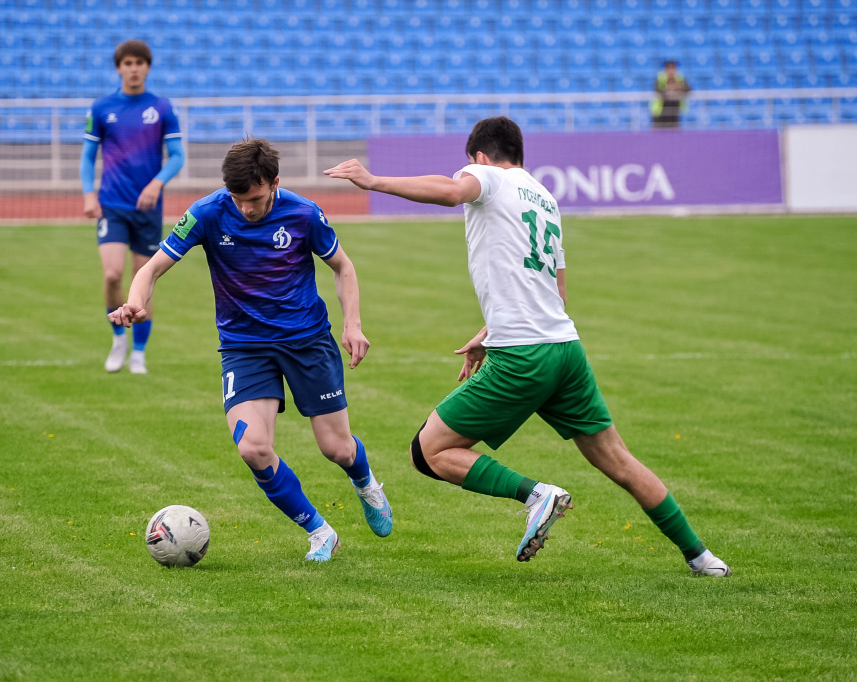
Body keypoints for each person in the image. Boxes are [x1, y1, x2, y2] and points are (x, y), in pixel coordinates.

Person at [324, 117, 731, 576]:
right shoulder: (546, 199)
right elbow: (554, 293)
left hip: (523, 356)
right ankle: (702, 557)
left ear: (479, 157)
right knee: (619, 459)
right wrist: (488, 330)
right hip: (565, 349)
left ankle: (536, 494)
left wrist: (373, 180)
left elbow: (451, 190)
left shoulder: (488, 178)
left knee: (429, 452)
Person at [109, 138, 393, 562]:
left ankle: (366, 482)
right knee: (252, 448)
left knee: (337, 449)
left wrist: (352, 325)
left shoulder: (302, 212)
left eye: (256, 199)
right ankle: (320, 532)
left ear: (275, 183)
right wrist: (136, 301)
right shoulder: (207, 213)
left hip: (307, 341)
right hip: (244, 347)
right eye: (238, 199)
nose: (246, 208)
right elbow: (152, 267)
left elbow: (343, 267)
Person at [81, 40, 185, 374]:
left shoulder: (162, 108)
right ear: (118, 68)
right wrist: (88, 193)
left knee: (145, 279)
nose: (134, 68)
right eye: (127, 63)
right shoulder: (101, 108)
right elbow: (87, 156)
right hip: (112, 204)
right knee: (112, 275)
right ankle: (118, 340)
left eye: (140, 62)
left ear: (148, 67)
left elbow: (178, 156)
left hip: (147, 210)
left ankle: (139, 351)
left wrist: (156, 183)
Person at [651, 59, 690, 129]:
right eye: (669, 68)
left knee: (674, 133)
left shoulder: (680, 77)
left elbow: (688, 89)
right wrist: (668, 89)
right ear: (665, 69)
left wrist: (678, 88)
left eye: (673, 68)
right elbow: (657, 90)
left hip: (675, 110)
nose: (671, 71)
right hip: (660, 110)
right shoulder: (660, 77)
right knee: (659, 132)